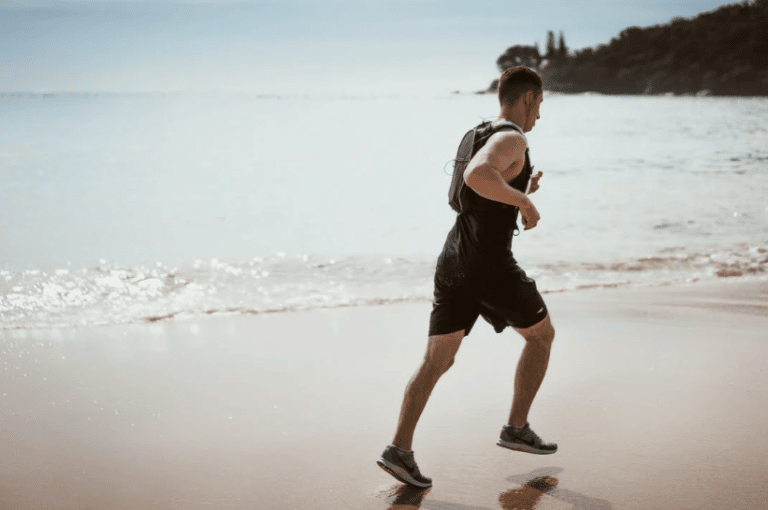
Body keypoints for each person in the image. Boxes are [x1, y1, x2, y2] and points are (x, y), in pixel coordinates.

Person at [377, 66, 556, 488]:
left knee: (437, 360)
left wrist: (517, 190)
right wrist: (524, 205)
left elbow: (471, 193)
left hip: (453, 260)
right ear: (528, 98)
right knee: (541, 337)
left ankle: (398, 449)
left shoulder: (477, 133)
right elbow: (478, 176)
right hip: (488, 265)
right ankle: (516, 428)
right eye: (540, 105)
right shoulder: (513, 137)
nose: (539, 117)